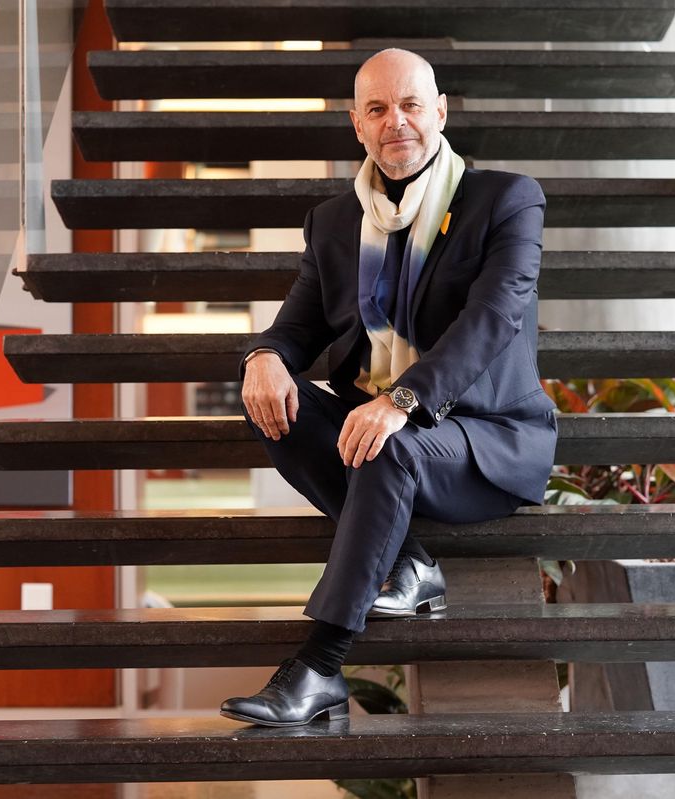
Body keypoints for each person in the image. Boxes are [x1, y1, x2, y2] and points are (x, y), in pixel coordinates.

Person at [219, 48, 558, 727]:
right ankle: (409, 559)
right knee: (273, 405)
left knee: (387, 447)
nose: (395, 121)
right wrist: (262, 356)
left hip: (487, 435)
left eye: (410, 105)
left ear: (439, 112)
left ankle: (319, 665)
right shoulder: (334, 223)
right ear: (356, 123)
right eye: (377, 108)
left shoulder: (505, 199)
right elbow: (296, 327)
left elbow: (492, 318)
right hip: (378, 429)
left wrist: (402, 399)